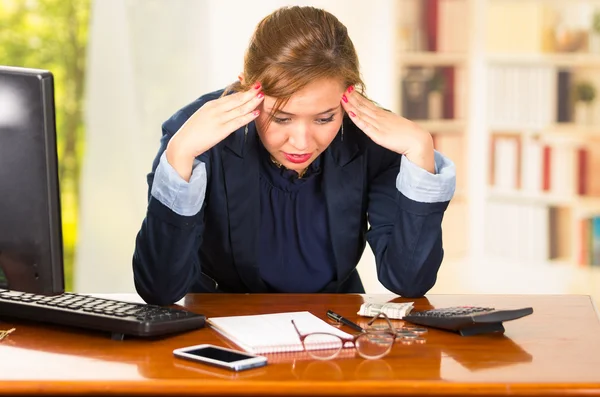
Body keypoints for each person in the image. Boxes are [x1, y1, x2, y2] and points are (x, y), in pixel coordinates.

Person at [132, 5, 456, 306]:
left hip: (333, 333)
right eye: (281, 118)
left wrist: (420, 148)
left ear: (349, 96)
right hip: (220, 329)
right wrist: (180, 155)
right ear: (247, 90)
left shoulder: (373, 139)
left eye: (324, 118)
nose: (301, 142)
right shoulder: (195, 136)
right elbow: (159, 289)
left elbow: (409, 281)